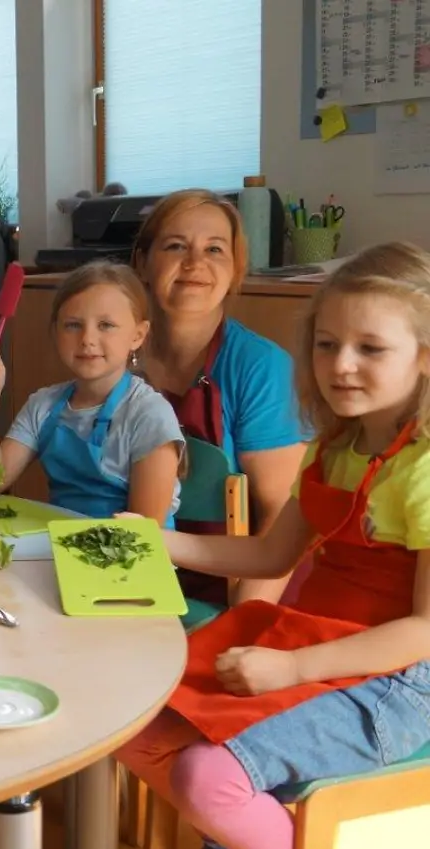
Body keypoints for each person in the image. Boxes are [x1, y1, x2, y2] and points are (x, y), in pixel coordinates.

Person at [115, 242, 430, 849]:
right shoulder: (336, 448)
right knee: (126, 721)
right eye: (327, 344)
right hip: (305, 641)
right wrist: (161, 539)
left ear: (425, 356)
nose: (341, 364)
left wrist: (290, 670)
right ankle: (239, 846)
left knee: (203, 775)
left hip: (397, 683)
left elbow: (424, 632)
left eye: (370, 347)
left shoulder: (426, 472)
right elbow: (266, 555)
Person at [133, 189, 309, 602]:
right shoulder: (115, 355)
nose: (195, 263)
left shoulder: (261, 368)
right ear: (142, 262)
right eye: (176, 246)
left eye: (215, 249)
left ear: (236, 270)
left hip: (240, 588)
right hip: (136, 577)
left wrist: (243, 625)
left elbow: (286, 519)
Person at [0, 260, 183, 524]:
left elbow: (144, 534)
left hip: (132, 555)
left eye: (105, 325)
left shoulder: (150, 415)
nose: (87, 339)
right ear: (56, 332)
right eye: (72, 325)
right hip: (62, 547)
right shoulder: (43, 405)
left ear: (138, 335)